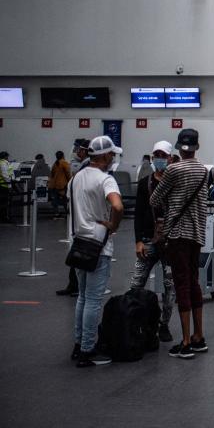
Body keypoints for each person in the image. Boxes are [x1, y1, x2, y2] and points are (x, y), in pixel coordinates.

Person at [149, 129, 210, 359]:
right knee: (193, 282)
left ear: (178, 148)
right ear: (196, 147)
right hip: (196, 234)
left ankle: (184, 341)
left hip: (176, 235)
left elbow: (154, 199)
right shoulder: (203, 171)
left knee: (181, 283)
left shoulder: (173, 169)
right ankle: (198, 336)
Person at [69, 135, 124, 367]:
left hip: (78, 243)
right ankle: (88, 350)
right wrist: (113, 224)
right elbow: (117, 205)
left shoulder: (76, 178)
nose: (113, 158)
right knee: (93, 299)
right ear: (103, 156)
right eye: (111, 154)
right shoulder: (105, 180)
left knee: (82, 297)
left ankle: (78, 343)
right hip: (98, 246)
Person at [130, 141, 176, 343]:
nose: (160, 159)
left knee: (170, 286)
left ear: (171, 158)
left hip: (170, 243)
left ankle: (164, 324)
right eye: (157, 155)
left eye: (163, 155)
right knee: (136, 284)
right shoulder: (144, 183)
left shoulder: (175, 183)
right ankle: (134, 321)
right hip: (148, 240)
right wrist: (138, 240)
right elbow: (138, 214)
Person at [57, 138, 90, 296]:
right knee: (75, 251)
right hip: (76, 214)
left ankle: (79, 286)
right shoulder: (82, 166)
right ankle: (73, 284)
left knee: (81, 252)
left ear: (84, 150)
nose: (76, 152)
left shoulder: (88, 167)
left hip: (82, 217)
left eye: (79, 149)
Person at [48, 150, 72, 218]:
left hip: (55, 185)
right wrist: (71, 181)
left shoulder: (55, 164)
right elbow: (68, 173)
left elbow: (52, 174)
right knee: (65, 199)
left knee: (55, 200)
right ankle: (67, 212)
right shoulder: (64, 163)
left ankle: (56, 213)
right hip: (62, 185)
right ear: (63, 155)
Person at [0, 151, 14, 223]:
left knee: (3, 202)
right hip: (3, 185)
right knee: (4, 203)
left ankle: (4, 217)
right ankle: (4, 218)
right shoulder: (3, 163)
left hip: (2, 185)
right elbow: (5, 175)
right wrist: (9, 185)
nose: (8, 158)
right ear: (5, 157)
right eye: (7, 157)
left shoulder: (2, 163)